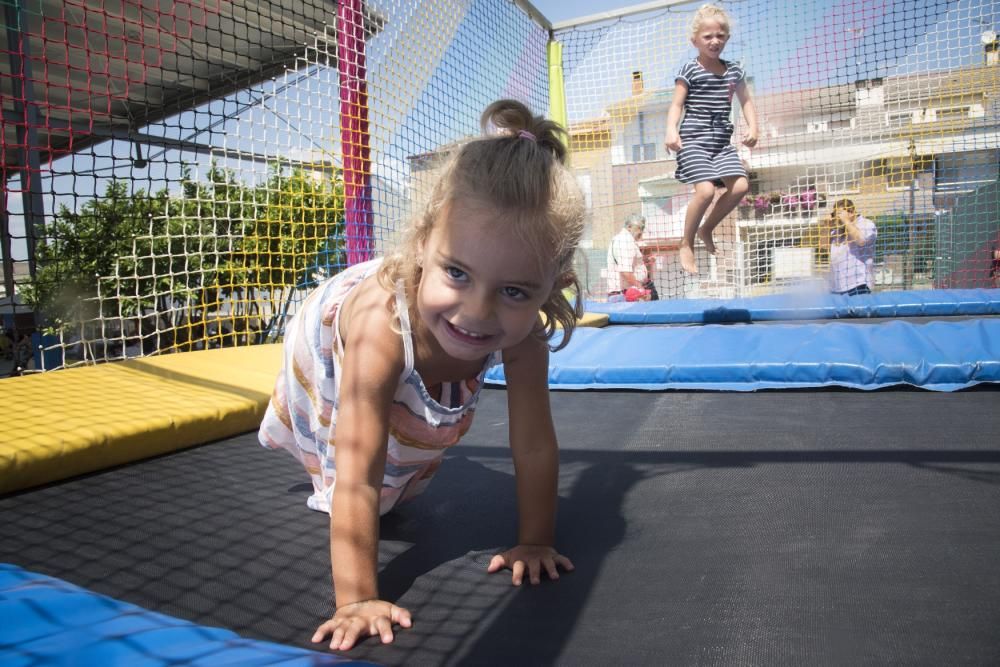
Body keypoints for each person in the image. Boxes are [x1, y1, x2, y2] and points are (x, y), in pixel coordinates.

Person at [258, 99, 583, 652]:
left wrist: (535, 542)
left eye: (514, 291)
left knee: (403, 467)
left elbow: (532, 444)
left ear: (551, 284)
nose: (477, 312)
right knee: (351, 464)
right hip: (333, 330)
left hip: (411, 335)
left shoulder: (525, 331)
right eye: (456, 272)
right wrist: (357, 598)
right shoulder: (379, 329)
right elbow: (357, 469)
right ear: (421, 247)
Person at [664, 3, 759, 274]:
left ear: (727, 37)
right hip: (692, 140)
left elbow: (747, 102)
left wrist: (753, 127)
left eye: (720, 36)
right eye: (708, 37)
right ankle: (687, 242)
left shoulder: (733, 71)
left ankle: (707, 228)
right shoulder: (689, 70)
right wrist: (671, 129)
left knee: (740, 186)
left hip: (721, 144)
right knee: (705, 190)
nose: (714, 41)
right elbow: (676, 105)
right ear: (695, 40)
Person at [822, 198, 877, 296]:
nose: (836, 217)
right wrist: (826, 226)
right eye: (834, 214)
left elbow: (861, 240)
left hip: (859, 284)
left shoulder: (866, 224)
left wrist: (846, 221)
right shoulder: (837, 231)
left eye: (839, 214)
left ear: (851, 212)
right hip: (836, 286)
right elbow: (823, 246)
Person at [606, 214, 652, 300]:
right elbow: (625, 271)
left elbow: (626, 264)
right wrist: (640, 288)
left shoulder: (621, 239)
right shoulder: (625, 240)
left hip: (624, 293)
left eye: (643, 228)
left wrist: (645, 260)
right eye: (640, 228)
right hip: (624, 295)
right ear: (629, 227)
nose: (641, 231)